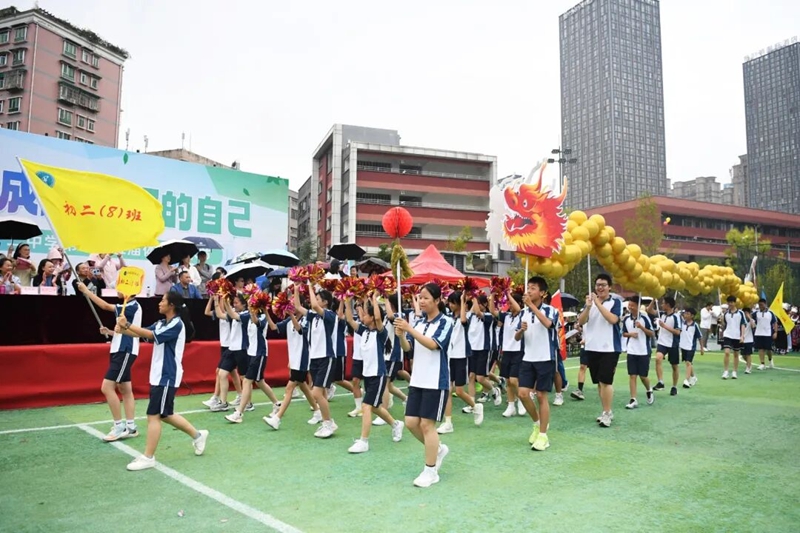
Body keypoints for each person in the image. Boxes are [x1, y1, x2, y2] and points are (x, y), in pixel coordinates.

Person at [115, 292, 208, 471]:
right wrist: (120, 329)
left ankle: (148, 457)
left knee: (154, 415)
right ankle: (198, 435)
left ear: (171, 305)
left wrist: (127, 324)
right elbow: (140, 334)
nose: (159, 303)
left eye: (163, 300)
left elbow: (151, 335)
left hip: (167, 375)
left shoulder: (176, 324)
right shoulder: (162, 322)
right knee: (165, 414)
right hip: (158, 375)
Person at [394, 282, 452, 488]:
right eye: (420, 297)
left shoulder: (446, 322)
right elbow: (408, 348)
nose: (421, 300)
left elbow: (434, 344)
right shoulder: (418, 323)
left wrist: (409, 328)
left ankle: (430, 470)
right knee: (411, 422)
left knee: (427, 425)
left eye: (426, 297)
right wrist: (401, 335)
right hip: (417, 379)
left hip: (436, 381)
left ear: (437, 300)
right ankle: (437, 449)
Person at [77, 281, 142, 440]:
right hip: (119, 349)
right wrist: (110, 332)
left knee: (107, 387)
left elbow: (105, 306)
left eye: (119, 289)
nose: (117, 291)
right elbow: (125, 330)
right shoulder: (127, 307)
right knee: (125, 389)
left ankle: (119, 426)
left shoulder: (132, 306)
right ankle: (131, 427)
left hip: (124, 351)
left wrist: (86, 291)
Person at [343, 293, 404, 453]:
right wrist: (347, 301)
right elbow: (349, 320)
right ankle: (396, 424)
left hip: (378, 374)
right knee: (375, 407)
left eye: (366, 315)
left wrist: (374, 298)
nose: (362, 317)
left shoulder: (380, 333)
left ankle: (364, 441)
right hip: (367, 374)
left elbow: (378, 317)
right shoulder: (364, 331)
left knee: (366, 406)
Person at [515, 276, 558, 451]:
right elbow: (517, 337)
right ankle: (537, 422)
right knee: (523, 394)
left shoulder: (550, 310)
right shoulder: (524, 313)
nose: (529, 291)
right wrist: (520, 330)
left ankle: (543, 436)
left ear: (542, 293)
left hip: (545, 358)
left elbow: (548, 324)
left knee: (541, 396)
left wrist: (532, 307)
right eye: (528, 287)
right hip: (528, 358)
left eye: (533, 288)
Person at [263, 300, 318, 430]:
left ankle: (277, 419)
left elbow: (300, 330)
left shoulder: (306, 319)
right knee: (303, 386)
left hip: (302, 359)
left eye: (294, 305)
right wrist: (266, 311)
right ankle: (317, 411)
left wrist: (291, 315)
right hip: (294, 359)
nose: (292, 307)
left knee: (289, 388)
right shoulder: (288, 321)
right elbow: (273, 327)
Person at [577, 273, 622, 427]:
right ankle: (605, 410)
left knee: (606, 381)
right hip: (592, 347)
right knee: (599, 382)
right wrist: (589, 307)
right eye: (597, 285)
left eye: (603, 285)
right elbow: (581, 321)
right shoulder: (589, 303)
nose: (600, 288)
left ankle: (608, 412)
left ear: (609, 287)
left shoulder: (615, 302)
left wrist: (598, 303)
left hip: (609, 348)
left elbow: (613, 319)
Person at [294, 284, 339, 438]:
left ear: (325, 302)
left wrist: (309, 286)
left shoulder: (330, 316)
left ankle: (328, 423)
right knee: (322, 394)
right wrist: (295, 287)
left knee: (316, 393)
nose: (315, 301)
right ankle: (328, 423)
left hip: (326, 357)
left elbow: (313, 304)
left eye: (319, 298)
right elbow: (298, 306)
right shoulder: (313, 317)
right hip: (314, 358)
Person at [224, 305, 281, 423]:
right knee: (259, 382)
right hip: (251, 353)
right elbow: (234, 315)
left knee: (247, 381)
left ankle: (239, 413)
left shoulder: (263, 317)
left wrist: (251, 310)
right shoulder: (247, 316)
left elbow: (256, 322)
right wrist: (225, 301)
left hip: (260, 353)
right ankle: (277, 403)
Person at [437, 291, 481, 434]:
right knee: (448, 389)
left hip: (461, 356)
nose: (450, 305)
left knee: (459, 391)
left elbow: (463, 320)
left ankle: (475, 406)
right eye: (449, 302)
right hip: (450, 356)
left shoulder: (468, 316)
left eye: (452, 302)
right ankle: (448, 422)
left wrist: (463, 300)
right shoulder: (449, 317)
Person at [201, 291, 243, 409]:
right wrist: (213, 298)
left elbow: (220, 312)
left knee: (221, 372)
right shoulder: (223, 313)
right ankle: (239, 395)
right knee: (232, 373)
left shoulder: (233, 314)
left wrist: (219, 299)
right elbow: (207, 312)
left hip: (231, 346)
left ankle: (216, 397)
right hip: (225, 345)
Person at [490, 290, 526, 418]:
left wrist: (507, 292)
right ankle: (511, 406)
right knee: (508, 380)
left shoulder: (523, 315)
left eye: (511, 303)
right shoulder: (506, 316)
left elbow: (517, 308)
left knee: (514, 380)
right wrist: (493, 294)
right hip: (507, 351)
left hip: (518, 351)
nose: (509, 306)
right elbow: (492, 311)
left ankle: (521, 400)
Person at [467, 294, 501, 407]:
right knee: (471, 376)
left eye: (479, 303)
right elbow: (469, 315)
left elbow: (478, 312)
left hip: (484, 349)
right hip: (472, 349)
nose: (476, 305)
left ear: (485, 304)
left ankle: (494, 390)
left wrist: (474, 296)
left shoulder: (489, 316)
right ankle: (472, 403)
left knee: (480, 378)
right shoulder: (471, 316)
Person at [622, 296, 655, 409]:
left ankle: (649, 390)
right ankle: (633, 399)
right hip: (631, 350)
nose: (630, 307)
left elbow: (652, 333)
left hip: (643, 351)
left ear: (638, 306)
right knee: (632, 375)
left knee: (643, 376)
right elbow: (624, 333)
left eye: (632, 305)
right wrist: (631, 334)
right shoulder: (626, 319)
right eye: (629, 305)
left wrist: (641, 327)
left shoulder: (644, 318)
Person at [652, 296, 682, 396]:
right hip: (662, 342)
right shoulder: (662, 314)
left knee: (674, 366)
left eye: (663, 303)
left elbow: (677, 332)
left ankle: (674, 387)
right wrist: (653, 299)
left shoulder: (676, 317)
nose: (661, 305)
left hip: (672, 344)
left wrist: (665, 326)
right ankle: (661, 382)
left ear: (668, 305)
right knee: (658, 358)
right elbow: (649, 310)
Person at [720, 296, 746, 380]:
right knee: (727, 352)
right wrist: (721, 320)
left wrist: (742, 336)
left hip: (737, 335)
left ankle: (734, 371)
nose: (730, 304)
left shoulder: (740, 313)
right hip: (728, 335)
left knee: (736, 354)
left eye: (732, 302)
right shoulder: (726, 313)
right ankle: (726, 371)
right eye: (729, 302)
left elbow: (743, 324)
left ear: (735, 303)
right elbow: (725, 325)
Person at [679, 307, 703, 388]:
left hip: (691, 347)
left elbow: (700, 337)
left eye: (688, 314)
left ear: (692, 316)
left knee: (688, 363)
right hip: (683, 346)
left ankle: (686, 380)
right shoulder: (682, 323)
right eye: (685, 313)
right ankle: (693, 377)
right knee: (688, 362)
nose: (685, 315)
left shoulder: (695, 325)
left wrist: (702, 348)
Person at [753, 298, 777, 370]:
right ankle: (762, 364)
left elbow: (775, 323)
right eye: (759, 305)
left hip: (768, 333)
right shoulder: (756, 313)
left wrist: (775, 332)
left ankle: (770, 360)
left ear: (765, 304)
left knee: (768, 349)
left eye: (762, 305)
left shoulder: (770, 313)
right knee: (761, 348)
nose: (760, 306)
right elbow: (749, 317)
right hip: (759, 333)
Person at [741, 307, 756, 374]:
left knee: (748, 354)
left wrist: (749, 317)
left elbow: (753, 326)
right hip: (742, 339)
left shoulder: (751, 320)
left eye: (747, 313)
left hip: (749, 340)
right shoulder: (740, 320)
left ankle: (748, 367)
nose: (745, 314)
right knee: (743, 355)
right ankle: (749, 364)